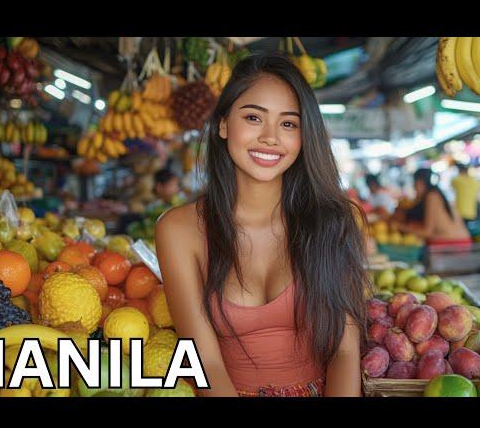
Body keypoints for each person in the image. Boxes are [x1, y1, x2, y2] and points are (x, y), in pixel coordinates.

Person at [155, 53, 369, 397]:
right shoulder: (178, 230)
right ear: (223, 124)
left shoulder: (334, 221)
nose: (271, 137)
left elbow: (344, 352)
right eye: (254, 117)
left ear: (304, 136)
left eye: (288, 123)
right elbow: (204, 363)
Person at [399, 168, 471, 245]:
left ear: (419, 182)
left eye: (414, 184)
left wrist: (401, 227)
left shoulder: (432, 196)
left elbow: (427, 232)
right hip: (462, 240)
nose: (414, 188)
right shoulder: (436, 194)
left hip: (454, 243)